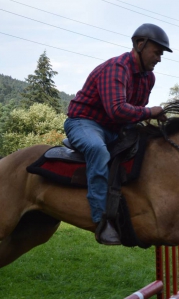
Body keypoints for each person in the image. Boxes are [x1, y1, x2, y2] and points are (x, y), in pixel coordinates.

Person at [64, 23, 172, 245]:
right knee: (97, 150)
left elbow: (133, 114)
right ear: (139, 45)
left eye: (161, 54)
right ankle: (101, 220)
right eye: (156, 52)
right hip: (84, 123)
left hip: (115, 128)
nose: (159, 58)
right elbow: (117, 110)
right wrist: (150, 112)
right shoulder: (116, 68)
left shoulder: (148, 77)